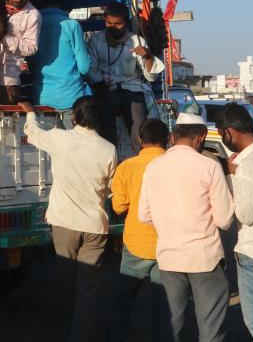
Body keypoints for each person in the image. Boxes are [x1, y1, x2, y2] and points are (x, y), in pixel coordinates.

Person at [18, 97, 116, 342]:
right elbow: (111, 188)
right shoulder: (108, 149)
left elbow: (32, 134)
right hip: (95, 225)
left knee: (65, 283)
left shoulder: (61, 139)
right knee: (88, 290)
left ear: (74, 118)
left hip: (64, 223)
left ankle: (61, 330)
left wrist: (30, 113)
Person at [138, 112, 235, 342]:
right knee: (210, 327)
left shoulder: (153, 167)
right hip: (204, 259)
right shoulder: (208, 166)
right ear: (201, 137)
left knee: (172, 324)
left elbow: (144, 215)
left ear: (172, 136)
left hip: (169, 257)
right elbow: (225, 219)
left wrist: (169, 225)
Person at [216, 103, 253, 341]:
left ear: (229, 132)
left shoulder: (249, 166)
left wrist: (232, 175)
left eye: (222, 134)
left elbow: (245, 215)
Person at [108, 118, 171, 342]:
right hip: (168, 245)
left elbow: (118, 207)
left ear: (139, 140)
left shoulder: (126, 167)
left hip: (136, 243)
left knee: (123, 301)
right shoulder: (174, 166)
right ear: (168, 139)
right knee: (164, 306)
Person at [87, 1, 164, 153]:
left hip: (132, 88)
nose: (113, 27)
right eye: (109, 23)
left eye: (118, 24)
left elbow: (151, 77)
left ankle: (140, 160)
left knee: (139, 127)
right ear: (105, 21)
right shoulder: (96, 40)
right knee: (105, 121)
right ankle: (110, 160)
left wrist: (148, 56)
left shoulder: (137, 41)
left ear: (126, 22)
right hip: (105, 89)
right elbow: (90, 69)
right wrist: (101, 84)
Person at [29, 0, 91, 113]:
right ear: (59, 3)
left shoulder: (31, 27)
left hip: (42, 98)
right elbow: (84, 67)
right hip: (71, 98)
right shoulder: (71, 25)